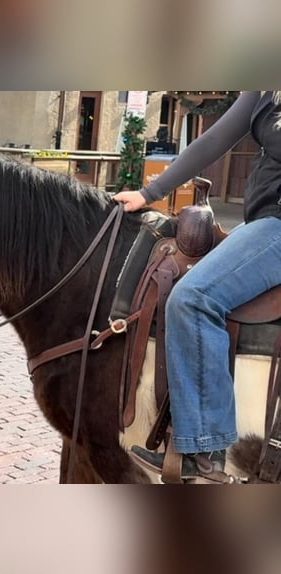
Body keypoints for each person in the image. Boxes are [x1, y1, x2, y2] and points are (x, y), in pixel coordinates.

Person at [115, 91, 281, 482]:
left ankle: (205, 451)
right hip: (262, 224)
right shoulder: (264, 93)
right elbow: (211, 141)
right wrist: (149, 193)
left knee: (193, 298)